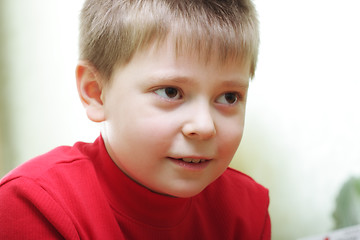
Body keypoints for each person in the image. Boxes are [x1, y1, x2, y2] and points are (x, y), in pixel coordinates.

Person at [0, 0, 271, 239]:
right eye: (171, 92)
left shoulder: (245, 210)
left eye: (229, 97)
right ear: (96, 92)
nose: (204, 126)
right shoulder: (33, 206)